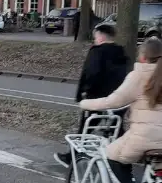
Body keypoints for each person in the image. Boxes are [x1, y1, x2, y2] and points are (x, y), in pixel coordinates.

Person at [79, 37, 162, 183]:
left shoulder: (138, 75)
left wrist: (85, 103)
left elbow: (114, 101)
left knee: (113, 155)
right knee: (155, 174)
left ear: (143, 57)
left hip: (145, 137)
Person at [53, 24, 130, 166]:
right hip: (118, 99)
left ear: (100, 36)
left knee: (85, 128)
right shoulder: (121, 52)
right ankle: (125, 158)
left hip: (97, 98)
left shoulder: (97, 52)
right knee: (117, 128)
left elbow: (91, 73)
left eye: (95, 36)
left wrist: (85, 92)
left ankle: (72, 158)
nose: (94, 39)